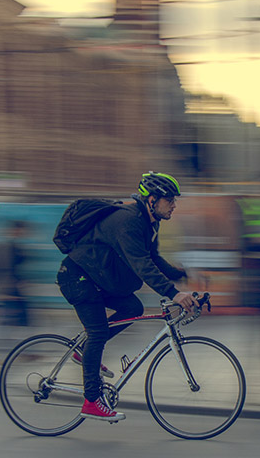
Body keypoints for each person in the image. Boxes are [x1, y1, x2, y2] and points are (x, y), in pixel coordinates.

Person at [55, 172, 198, 422]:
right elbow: (141, 264)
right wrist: (173, 293)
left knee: (133, 307)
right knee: (98, 333)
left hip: (96, 279)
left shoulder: (150, 223)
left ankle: (85, 349)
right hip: (78, 278)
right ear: (152, 200)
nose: (174, 205)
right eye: (170, 200)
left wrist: (180, 275)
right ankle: (91, 402)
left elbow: (152, 258)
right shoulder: (128, 221)